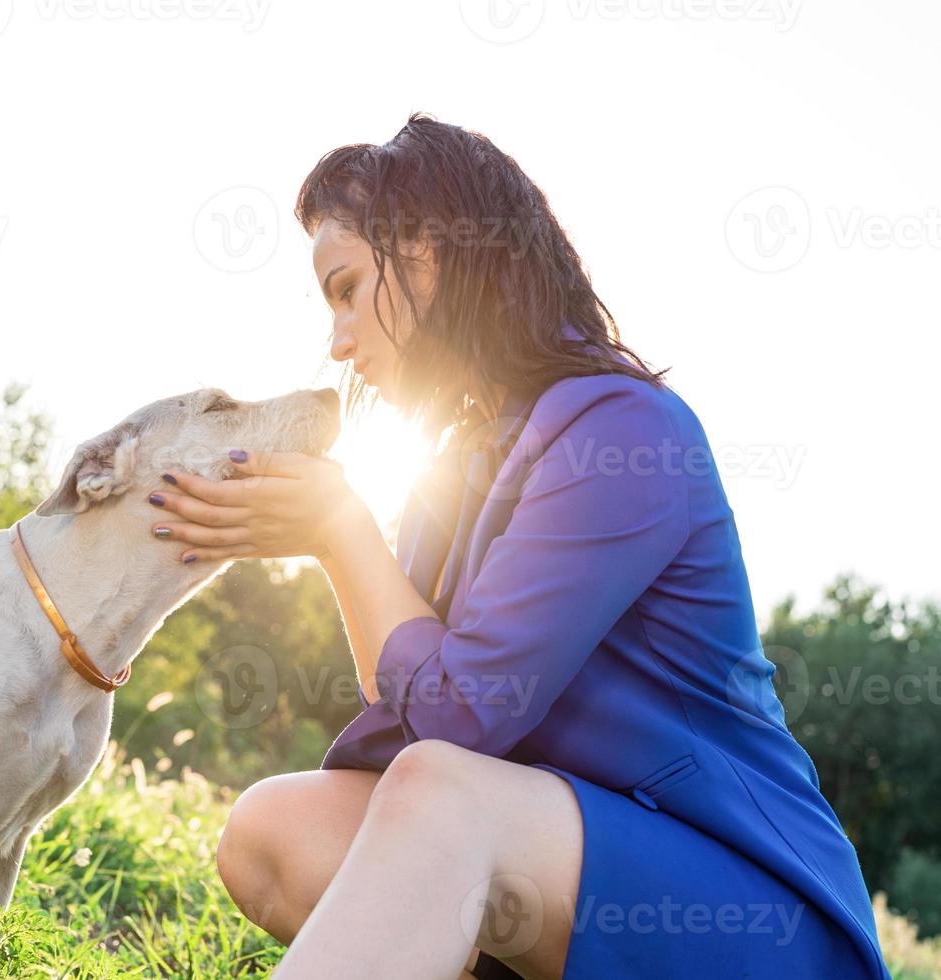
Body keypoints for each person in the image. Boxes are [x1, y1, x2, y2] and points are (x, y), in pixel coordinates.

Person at [142, 113, 888, 979]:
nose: (338, 340)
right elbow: (412, 704)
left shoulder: (625, 431)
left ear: (426, 251)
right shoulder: (452, 470)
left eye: (346, 289)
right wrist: (331, 540)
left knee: (438, 791)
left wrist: (341, 532)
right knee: (275, 831)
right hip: (564, 873)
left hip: (756, 919)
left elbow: (459, 718)